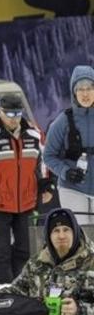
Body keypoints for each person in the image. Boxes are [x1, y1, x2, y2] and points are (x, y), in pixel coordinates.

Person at [0, 91, 52, 282]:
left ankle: (22, 287)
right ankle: (1, 291)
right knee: (0, 251)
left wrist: (46, 186)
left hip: (27, 202)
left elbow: (45, 162)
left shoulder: (34, 134)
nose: (14, 119)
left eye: (18, 113)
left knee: (25, 249)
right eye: (9, 114)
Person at [8, 207, 94, 315]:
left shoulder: (90, 261)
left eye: (66, 229)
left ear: (75, 232)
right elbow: (16, 291)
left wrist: (78, 309)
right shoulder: (36, 263)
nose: (61, 236)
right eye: (56, 231)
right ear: (48, 236)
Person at [45, 66, 94, 222]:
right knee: (80, 235)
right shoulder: (62, 121)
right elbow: (49, 156)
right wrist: (66, 172)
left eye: (89, 88)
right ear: (74, 92)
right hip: (72, 189)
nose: (85, 94)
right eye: (80, 89)